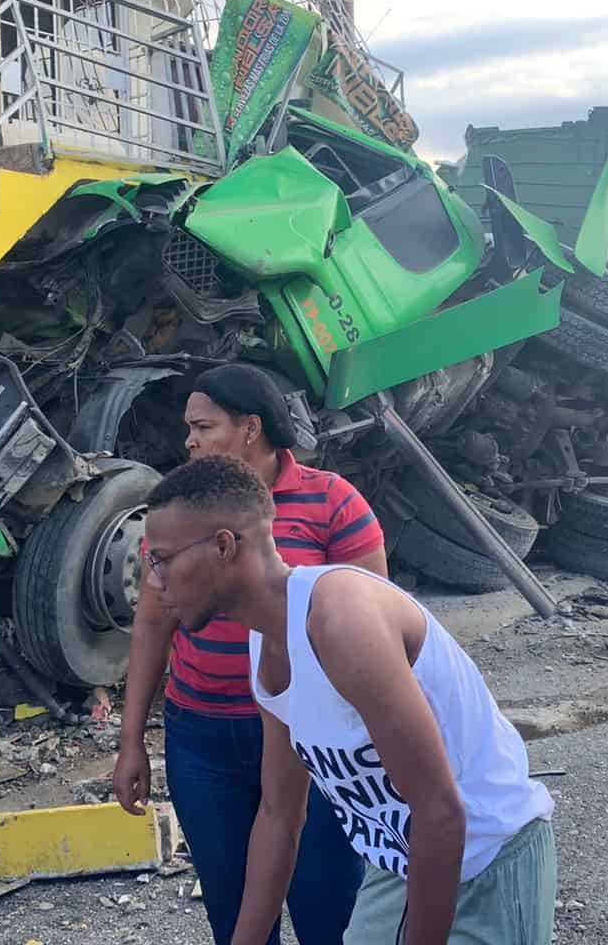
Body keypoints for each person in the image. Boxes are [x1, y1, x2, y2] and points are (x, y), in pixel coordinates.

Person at [141, 454, 557, 945]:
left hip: (488, 854)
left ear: (225, 547)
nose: (153, 582)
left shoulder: (341, 620)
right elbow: (279, 815)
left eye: (161, 559)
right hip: (399, 863)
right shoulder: (265, 641)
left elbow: (442, 812)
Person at [113, 364, 385, 945]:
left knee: (326, 908)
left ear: (250, 428)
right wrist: (131, 741)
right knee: (235, 913)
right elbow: (150, 629)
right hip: (202, 740)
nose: (188, 440)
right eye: (188, 428)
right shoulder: (180, 516)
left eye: (203, 426)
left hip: (308, 742)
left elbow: (375, 627)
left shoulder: (331, 501)